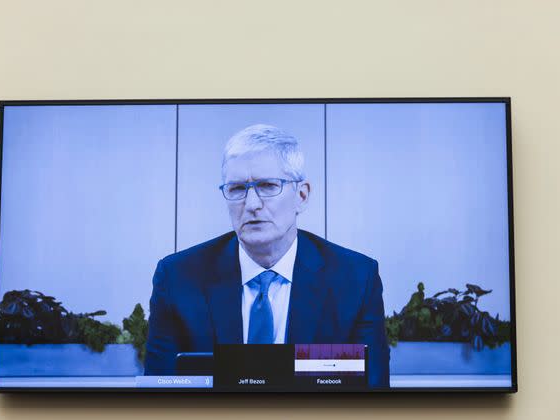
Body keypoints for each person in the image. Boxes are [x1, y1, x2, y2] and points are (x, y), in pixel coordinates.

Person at [144, 124, 390, 388]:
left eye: (267, 186)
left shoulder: (355, 279)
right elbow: (160, 396)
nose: (251, 204)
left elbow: (372, 396)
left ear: (302, 195)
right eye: (237, 189)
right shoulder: (178, 278)